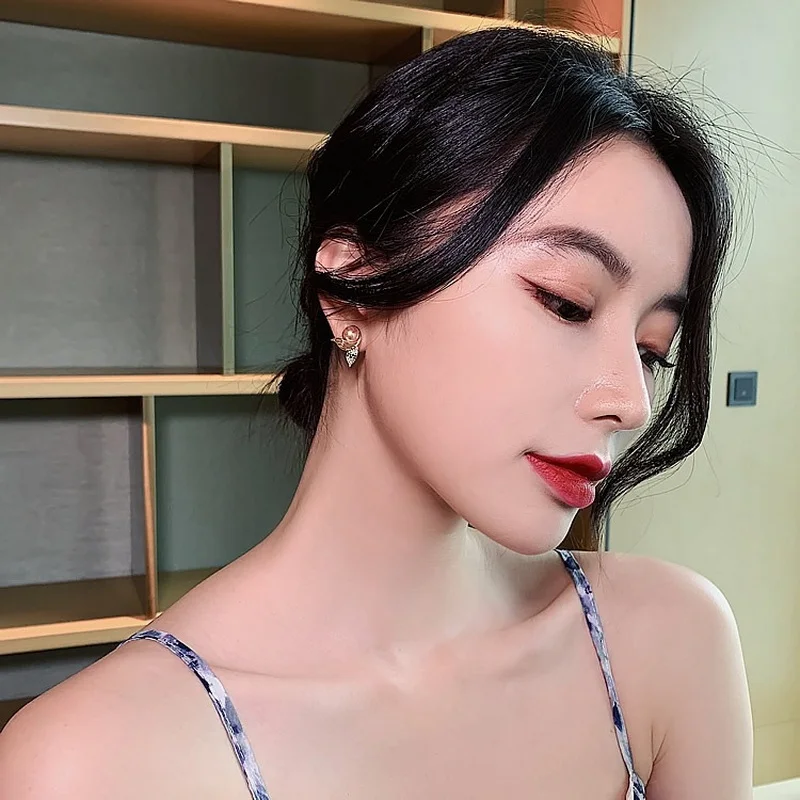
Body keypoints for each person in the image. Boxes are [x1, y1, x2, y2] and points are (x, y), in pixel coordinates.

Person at [0, 24, 753, 800]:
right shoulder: (93, 762)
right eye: (565, 303)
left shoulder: (665, 640)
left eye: (652, 349)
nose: (629, 401)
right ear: (351, 285)